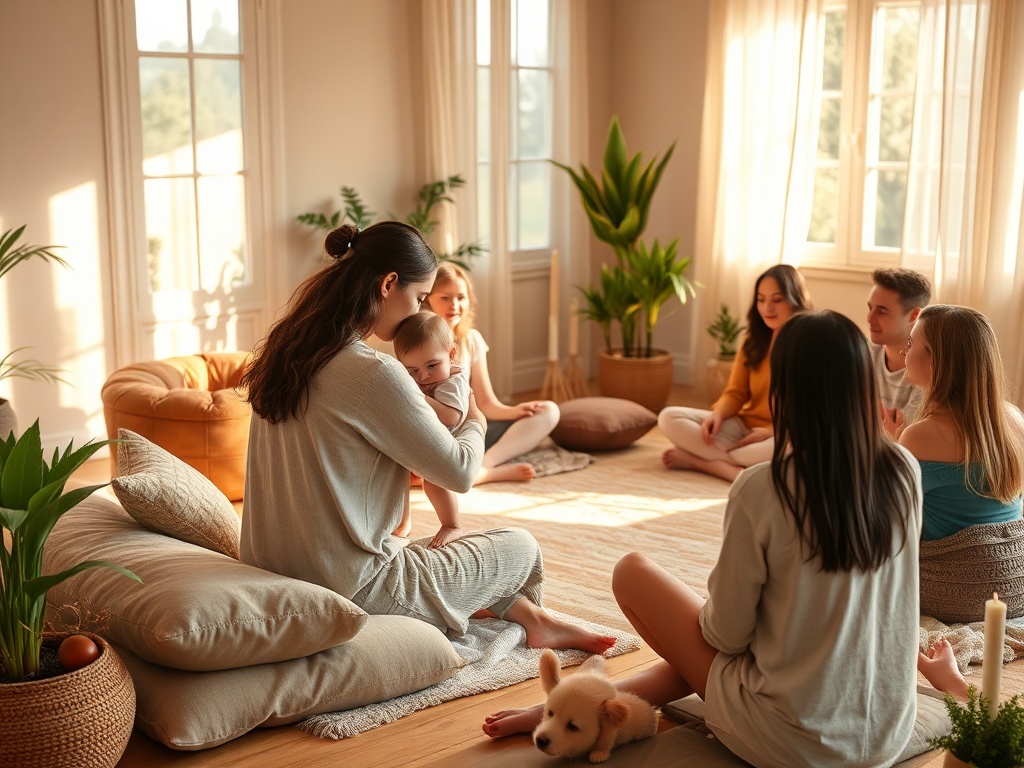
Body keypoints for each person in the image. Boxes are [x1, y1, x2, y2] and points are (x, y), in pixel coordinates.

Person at [485, 310, 923, 767]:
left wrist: (713, 610)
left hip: (797, 743)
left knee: (632, 572)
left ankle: (579, 708)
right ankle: (584, 707)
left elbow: (725, 637)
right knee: (732, 640)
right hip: (886, 733)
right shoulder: (904, 470)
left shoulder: (765, 488)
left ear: (784, 389)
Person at [238, 221, 613, 653]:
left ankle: (534, 619)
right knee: (518, 546)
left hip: (274, 572)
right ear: (388, 284)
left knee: (437, 548)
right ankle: (520, 616)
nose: (417, 314)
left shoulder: (286, 353)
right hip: (352, 589)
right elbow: (459, 472)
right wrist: (472, 413)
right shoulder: (373, 373)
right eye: (418, 298)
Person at [658, 264, 812, 482]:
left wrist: (771, 431)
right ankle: (737, 468)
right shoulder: (752, 341)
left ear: (796, 300)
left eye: (777, 300)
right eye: (761, 299)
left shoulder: (811, 345)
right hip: (743, 427)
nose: (767, 307)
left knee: (793, 449)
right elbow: (736, 392)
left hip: (782, 435)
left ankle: (702, 462)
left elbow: (811, 410)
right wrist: (717, 415)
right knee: (668, 417)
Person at [899, 304, 1024, 542]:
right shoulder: (1015, 419)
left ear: (934, 361)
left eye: (910, 343)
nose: (904, 352)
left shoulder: (918, 436)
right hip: (1014, 569)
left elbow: (896, 518)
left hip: (948, 575)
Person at [426, 262, 559, 484]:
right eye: (445, 297)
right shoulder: (417, 341)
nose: (455, 305)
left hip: (473, 428)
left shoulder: (472, 340)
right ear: (427, 299)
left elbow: (486, 403)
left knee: (549, 411)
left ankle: (485, 466)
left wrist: (515, 411)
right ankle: (467, 470)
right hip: (437, 434)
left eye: (461, 297)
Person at [391, 311, 470, 546]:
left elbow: (450, 416)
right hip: (418, 440)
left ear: (451, 353)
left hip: (444, 443)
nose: (423, 376)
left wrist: (417, 396)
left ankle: (452, 525)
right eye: (412, 370)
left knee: (433, 484)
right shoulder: (421, 378)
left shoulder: (453, 380)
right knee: (395, 477)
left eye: (432, 365)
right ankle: (402, 523)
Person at [867, 268, 931, 437]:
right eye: (870, 308)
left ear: (914, 315)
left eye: (882, 311)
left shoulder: (927, 374)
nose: (869, 318)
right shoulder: (861, 356)